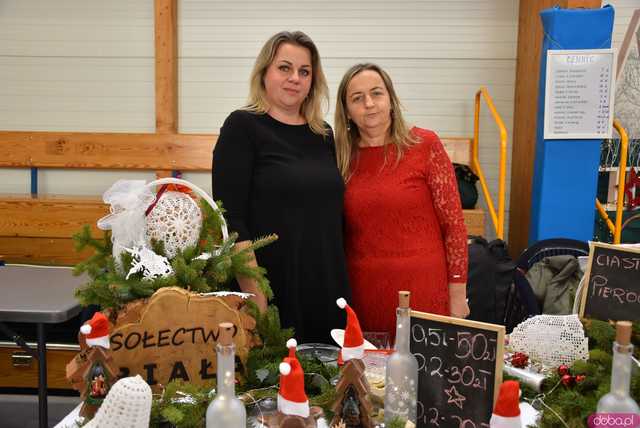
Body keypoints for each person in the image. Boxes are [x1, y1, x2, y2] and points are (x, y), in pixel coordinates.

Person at [212, 31, 349, 343]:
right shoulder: (242, 127)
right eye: (284, 68)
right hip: (273, 288)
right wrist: (255, 295)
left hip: (326, 285)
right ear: (264, 73)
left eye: (304, 71)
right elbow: (232, 221)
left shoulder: (323, 133)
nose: (295, 79)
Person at [334, 63, 469, 337]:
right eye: (357, 98)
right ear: (347, 111)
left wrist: (458, 293)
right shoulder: (339, 159)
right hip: (364, 292)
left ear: (391, 100)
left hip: (424, 289)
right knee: (372, 376)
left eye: (376, 93)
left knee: (426, 376)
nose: (369, 104)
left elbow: (453, 225)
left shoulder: (424, 145)